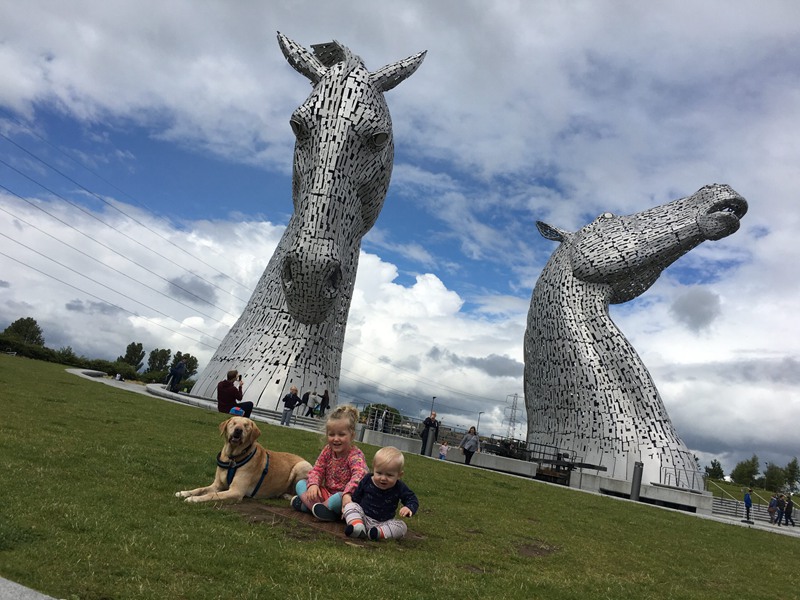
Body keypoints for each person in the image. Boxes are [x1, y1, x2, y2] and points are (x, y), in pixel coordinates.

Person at [290, 405, 368, 521]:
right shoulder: (327, 451)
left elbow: (359, 476)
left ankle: (313, 508)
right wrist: (313, 485)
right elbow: (317, 469)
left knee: (338, 498)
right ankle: (320, 510)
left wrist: (347, 493)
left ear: (352, 435)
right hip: (326, 494)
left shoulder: (355, 455)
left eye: (341, 434)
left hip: (346, 498)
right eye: (332, 434)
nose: (336, 439)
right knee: (301, 484)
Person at [343, 446, 419, 541]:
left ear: (399, 475)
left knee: (402, 526)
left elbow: (412, 499)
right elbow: (356, 497)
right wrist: (350, 512)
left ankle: (377, 533)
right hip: (363, 517)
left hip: (384, 523)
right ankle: (357, 527)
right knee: (349, 505)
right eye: (379, 473)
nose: (383, 478)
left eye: (389, 475)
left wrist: (409, 508)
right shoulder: (367, 480)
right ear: (373, 469)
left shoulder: (399, 487)